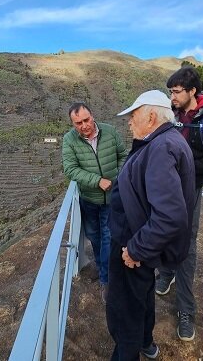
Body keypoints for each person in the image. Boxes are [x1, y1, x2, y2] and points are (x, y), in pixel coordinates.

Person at [106, 90, 196, 361]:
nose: (129, 123)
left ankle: (128, 352)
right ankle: (146, 342)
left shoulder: (160, 148)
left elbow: (169, 215)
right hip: (139, 243)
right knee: (142, 297)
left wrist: (135, 249)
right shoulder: (166, 141)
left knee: (124, 310)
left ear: (152, 116)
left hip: (132, 246)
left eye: (133, 117)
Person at [156, 66, 203, 341]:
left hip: (190, 191)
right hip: (167, 190)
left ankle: (186, 310)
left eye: (176, 92)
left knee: (187, 245)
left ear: (192, 91)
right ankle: (166, 272)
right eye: (170, 92)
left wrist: (186, 167)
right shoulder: (171, 116)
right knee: (163, 233)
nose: (171, 96)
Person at [62, 102, 128, 303]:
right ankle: (103, 270)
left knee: (108, 238)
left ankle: (107, 281)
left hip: (112, 199)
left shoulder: (109, 131)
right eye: (78, 123)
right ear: (73, 124)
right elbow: (70, 169)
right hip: (89, 199)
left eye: (86, 120)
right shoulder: (69, 140)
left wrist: (116, 180)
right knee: (95, 238)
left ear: (93, 116)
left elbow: (123, 156)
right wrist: (97, 181)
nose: (84, 125)